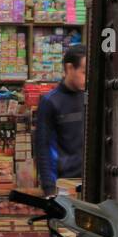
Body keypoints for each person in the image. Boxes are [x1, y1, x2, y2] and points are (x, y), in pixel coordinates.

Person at [35, 45, 86, 197]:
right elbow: (44, 148)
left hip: (89, 182)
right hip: (64, 185)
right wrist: (49, 189)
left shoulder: (90, 96)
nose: (88, 78)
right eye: (84, 72)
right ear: (70, 68)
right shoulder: (50, 101)